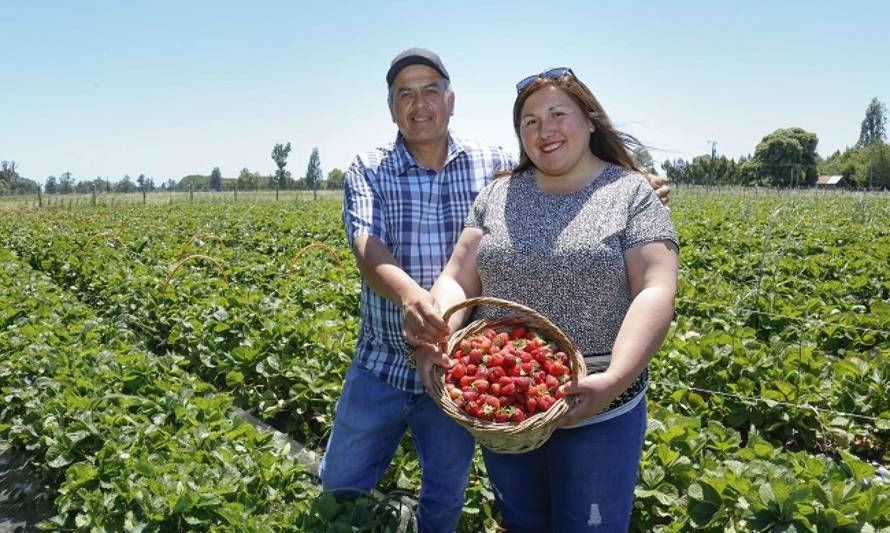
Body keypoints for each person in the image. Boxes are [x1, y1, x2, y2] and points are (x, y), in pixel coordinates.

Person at [320, 48, 670, 533]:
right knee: (520, 520)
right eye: (529, 121)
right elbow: (457, 277)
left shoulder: (630, 194)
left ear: (590, 121)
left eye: (557, 115)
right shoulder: (499, 191)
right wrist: (431, 333)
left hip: (599, 407)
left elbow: (654, 289)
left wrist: (612, 380)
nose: (544, 130)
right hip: (507, 415)